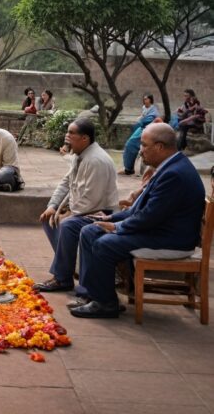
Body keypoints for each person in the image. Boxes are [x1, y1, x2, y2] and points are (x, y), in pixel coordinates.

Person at [70, 123, 206, 318]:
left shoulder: (175, 174)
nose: (139, 151)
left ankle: (106, 304)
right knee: (90, 230)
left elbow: (149, 217)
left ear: (159, 147)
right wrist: (110, 217)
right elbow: (139, 210)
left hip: (170, 239)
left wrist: (116, 227)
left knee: (104, 244)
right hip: (158, 229)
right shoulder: (168, 166)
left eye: (143, 145)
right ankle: (92, 294)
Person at [33, 118, 119, 293]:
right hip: (83, 209)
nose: (67, 135)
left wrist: (71, 213)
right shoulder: (80, 156)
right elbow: (66, 183)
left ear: (85, 138)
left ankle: (62, 277)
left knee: (67, 224)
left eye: (71, 133)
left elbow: (91, 199)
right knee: (48, 218)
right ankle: (68, 268)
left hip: (101, 212)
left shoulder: (96, 161)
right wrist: (53, 205)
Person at [119, 94, 160, 176]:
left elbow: (148, 121)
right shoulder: (144, 107)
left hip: (148, 130)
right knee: (129, 145)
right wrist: (139, 118)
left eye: (146, 99)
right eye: (144, 99)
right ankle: (128, 168)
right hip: (141, 129)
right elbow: (142, 117)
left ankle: (129, 169)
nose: (145, 101)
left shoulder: (154, 111)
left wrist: (141, 121)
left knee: (131, 145)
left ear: (150, 100)